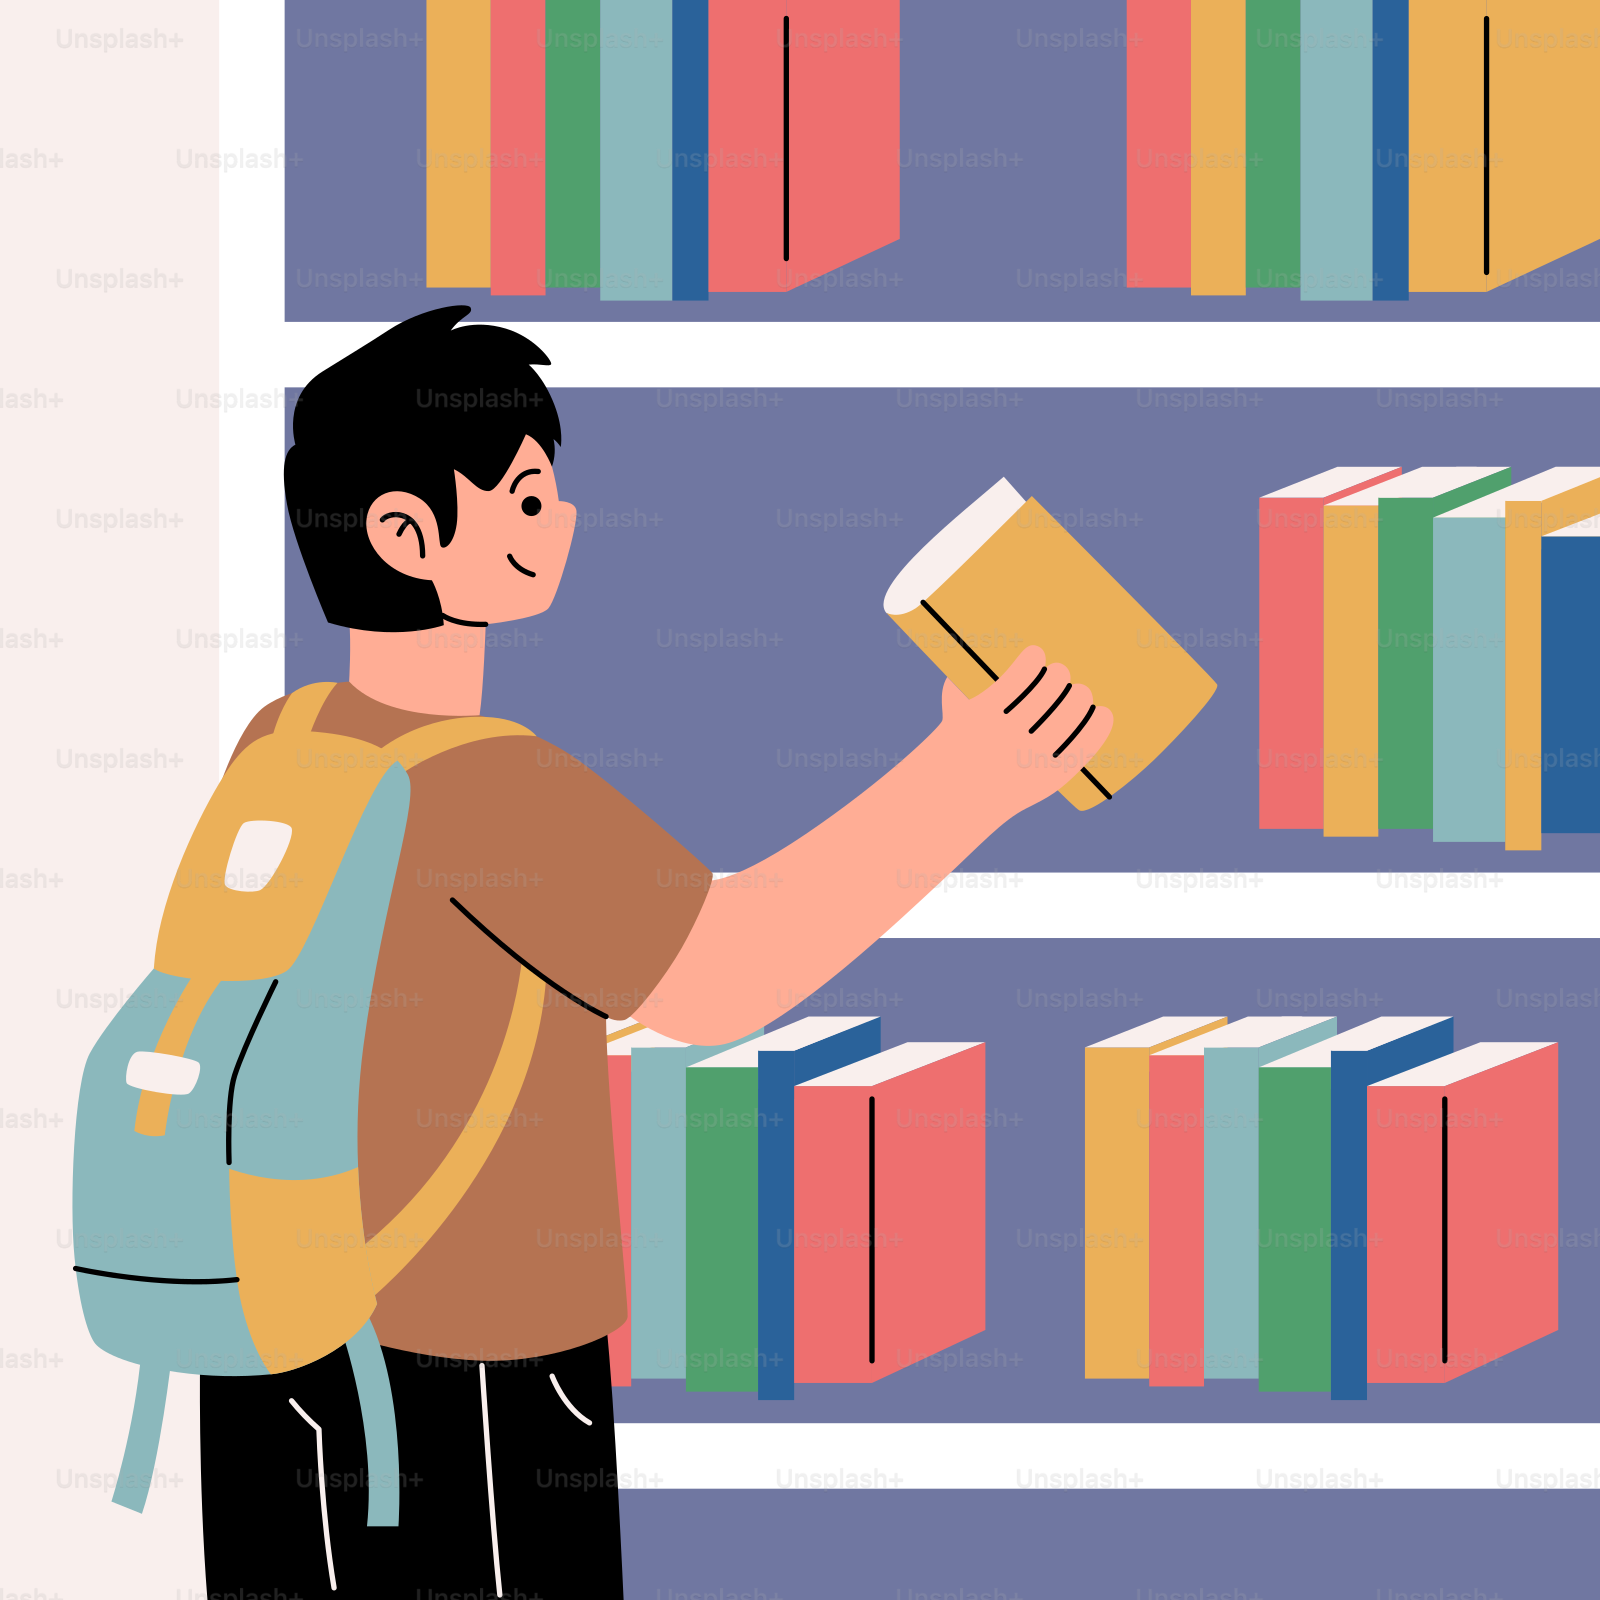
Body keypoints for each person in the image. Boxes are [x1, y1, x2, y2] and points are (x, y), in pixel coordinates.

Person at [201, 306, 1111, 1598]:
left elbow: (406, 992)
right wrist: (973, 775)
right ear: (408, 537)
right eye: (520, 499)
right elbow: (723, 974)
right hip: (468, 1368)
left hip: (277, 1349)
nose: (556, 521)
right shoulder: (488, 789)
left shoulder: (284, 742)